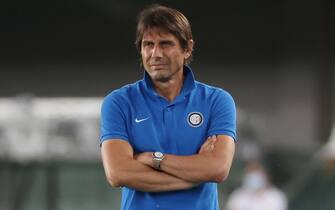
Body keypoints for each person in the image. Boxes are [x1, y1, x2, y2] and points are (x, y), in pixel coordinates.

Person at [100, 4, 237, 210]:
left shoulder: (217, 100)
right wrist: (193, 177)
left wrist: (154, 159)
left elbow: (217, 169)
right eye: (148, 44)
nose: (155, 53)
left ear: (187, 48)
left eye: (165, 44)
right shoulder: (119, 102)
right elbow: (118, 173)